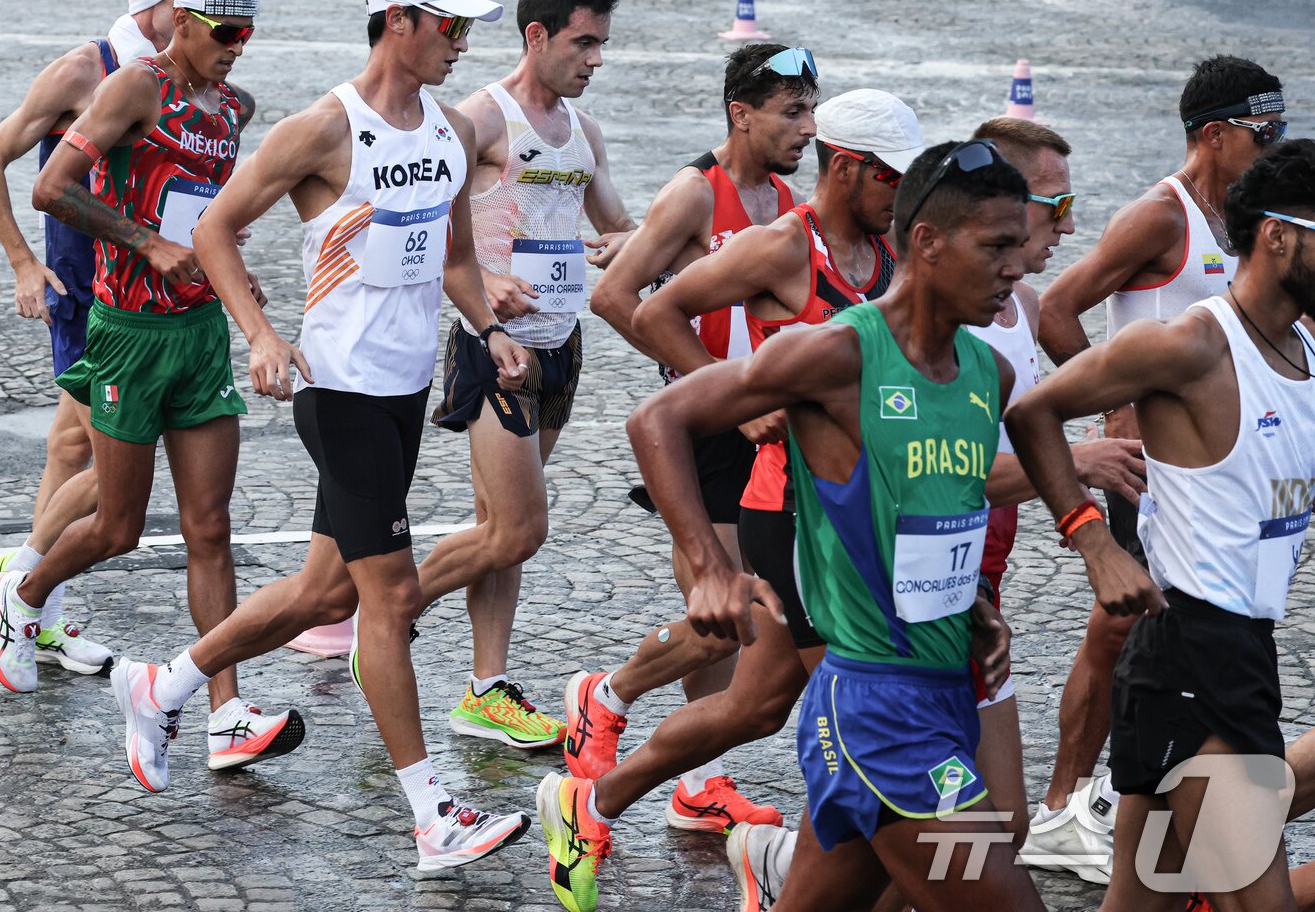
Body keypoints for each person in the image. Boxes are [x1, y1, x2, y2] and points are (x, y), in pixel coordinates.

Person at [539, 139, 1049, 912]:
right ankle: (608, 752)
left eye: (1021, 243)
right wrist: (711, 568)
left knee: (768, 738)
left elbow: (929, 503)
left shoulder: (989, 372)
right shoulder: (837, 346)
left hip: (939, 687)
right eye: (997, 247)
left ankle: (618, 803)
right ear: (928, 241)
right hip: (877, 708)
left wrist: (964, 602)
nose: (1016, 267)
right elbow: (657, 416)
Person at [107, 0, 535, 870]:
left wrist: (487, 326)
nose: (462, 43)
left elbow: (456, 256)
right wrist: (262, 335)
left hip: (402, 392)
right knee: (393, 595)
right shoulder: (325, 128)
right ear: (398, 22)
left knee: (324, 591)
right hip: (338, 392)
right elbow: (214, 227)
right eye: (450, 25)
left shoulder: (454, 131)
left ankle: (162, 685)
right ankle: (431, 817)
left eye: (466, 28)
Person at [558, 88, 916, 853]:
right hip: (791, 511)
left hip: (858, 512)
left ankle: (592, 802)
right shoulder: (781, 246)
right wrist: (733, 398)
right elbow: (649, 312)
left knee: (755, 706)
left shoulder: (891, 250)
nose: (902, 191)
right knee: (862, 705)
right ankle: (814, 870)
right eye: (891, 175)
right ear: (847, 169)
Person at [0, 0, 298, 777]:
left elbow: (209, 212)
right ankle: (21, 595)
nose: (238, 47)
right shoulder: (135, 88)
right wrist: (146, 243)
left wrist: (226, 266)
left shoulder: (234, 109)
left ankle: (225, 713)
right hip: (127, 330)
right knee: (119, 527)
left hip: (199, 333)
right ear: (181, 20)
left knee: (210, 527)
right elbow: (51, 187)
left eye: (248, 34)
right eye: (226, 32)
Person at [1007, 137, 1315, 912]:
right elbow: (1034, 413)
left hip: (1225, 652)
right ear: (1278, 235)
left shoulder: (1305, 348)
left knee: (1141, 901)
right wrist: (1093, 541)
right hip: (1197, 655)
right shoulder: (1190, 345)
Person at [569, 43, 816, 827]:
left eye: (811, 111)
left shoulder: (784, 199)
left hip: (768, 431)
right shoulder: (694, 192)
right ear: (741, 114)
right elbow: (615, 297)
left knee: (734, 628)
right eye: (792, 112)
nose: (808, 127)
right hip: (709, 432)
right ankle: (605, 693)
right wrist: (715, 388)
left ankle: (698, 784)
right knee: (735, 615)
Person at [0, 0, 210, 677]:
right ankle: (19, 585)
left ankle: (36, 608)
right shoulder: (87, 69)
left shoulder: (187, 78)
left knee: (73, 448)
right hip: (94, 295)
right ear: (158, 7)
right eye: (191, 7)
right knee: (107, 465)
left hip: (155, 301)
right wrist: (23, 262)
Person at [415, 0, 635, 750]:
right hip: (492, 348)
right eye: (584, 43)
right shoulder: (480, 119)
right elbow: (424, 230)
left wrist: (644, 245)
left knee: (498, 530)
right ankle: (392, 607)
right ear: (536, 35)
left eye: (602, 45)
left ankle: (486, 689)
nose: (595, 60)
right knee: (517, 530)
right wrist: (486, 284)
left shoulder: (583, 131)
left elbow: (618, 227)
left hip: (559, 348)